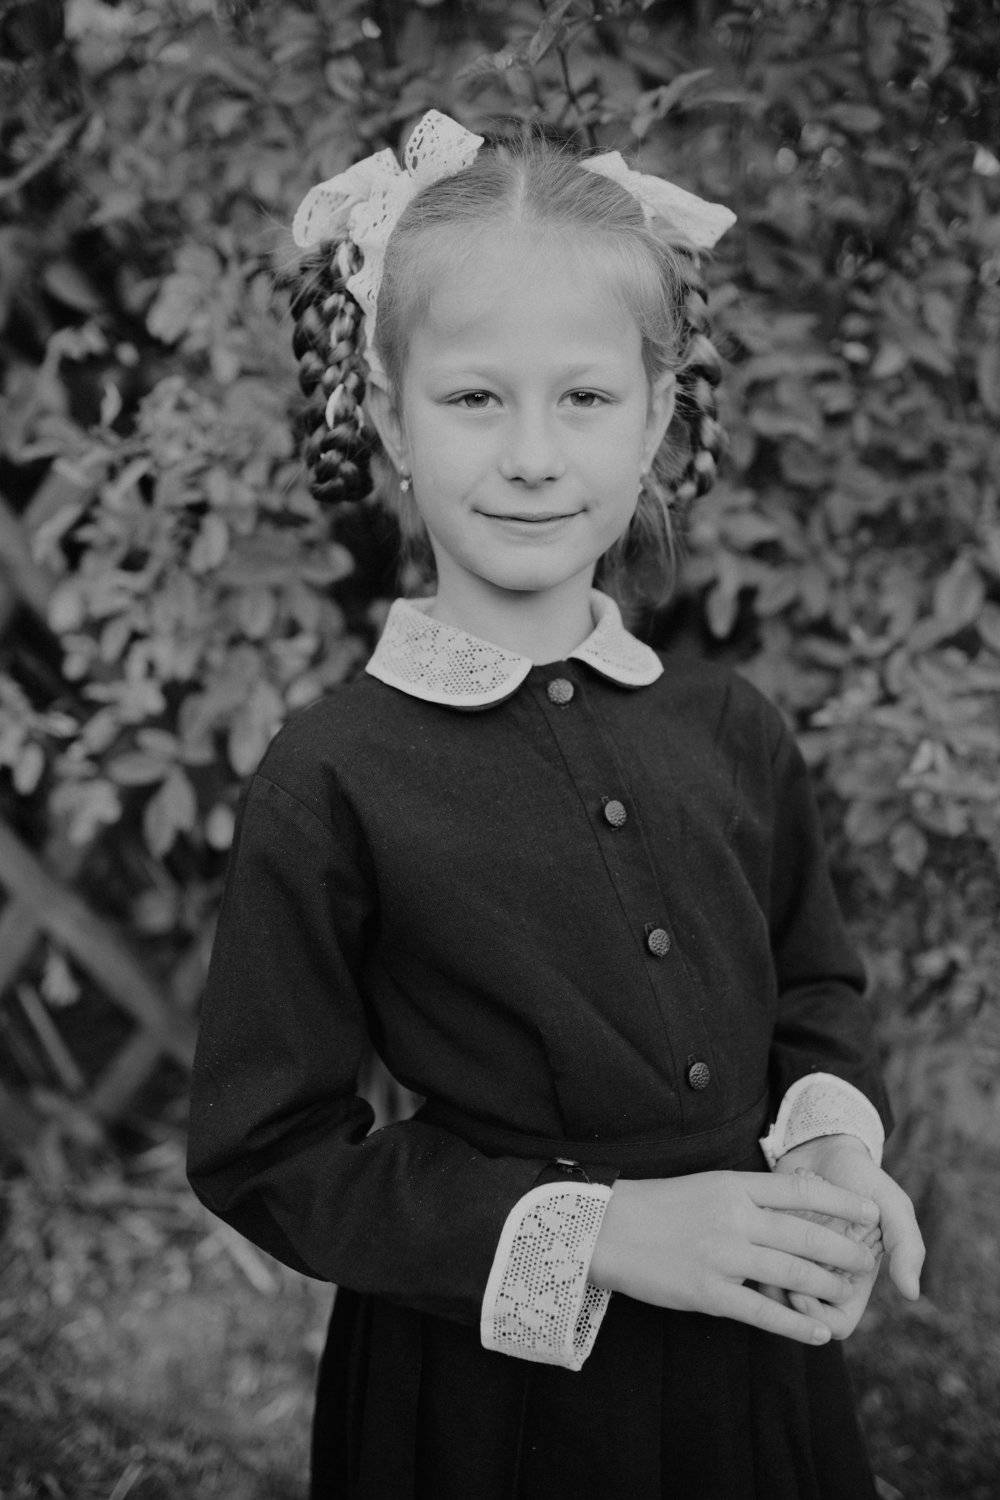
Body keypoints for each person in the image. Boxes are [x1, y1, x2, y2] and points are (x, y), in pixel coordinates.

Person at [186, 111, 924, 1499]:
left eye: (584, 398)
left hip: (759, 1372)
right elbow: (266, 1150)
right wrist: (604, 1235)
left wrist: (830, 1146)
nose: (533, 454)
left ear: (655, 418)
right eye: (475, 398)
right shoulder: (331, 775)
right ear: (389, 415)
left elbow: (815, 991)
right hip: (488, 1411)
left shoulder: (731, 728)